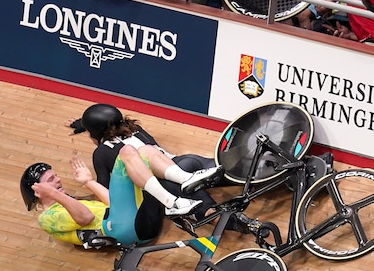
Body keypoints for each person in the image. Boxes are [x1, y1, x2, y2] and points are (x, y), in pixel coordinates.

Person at [21, 146, 204, 247]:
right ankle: (172, 202)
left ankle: (187, 180)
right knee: (126, 153)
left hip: (136, 221)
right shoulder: (47, 218)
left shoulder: (69, 203)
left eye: (56, 176)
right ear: (37, 191)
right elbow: (86, 218)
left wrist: (88, 182)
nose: (58, 180)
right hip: (125, 231)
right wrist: (54, 194)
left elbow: (113, 203)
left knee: (145, 152)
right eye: (51, 180)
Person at [69, 104, 225, 218]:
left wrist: (83, 193)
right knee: (232, 171)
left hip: (166, 182)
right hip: (185, 161)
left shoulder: (101, 153)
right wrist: (86, 124)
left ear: (95, 133)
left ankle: (240, 225)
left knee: (210, 214)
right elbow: (111, 122)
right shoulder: (134, 128)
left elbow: (103, 191)